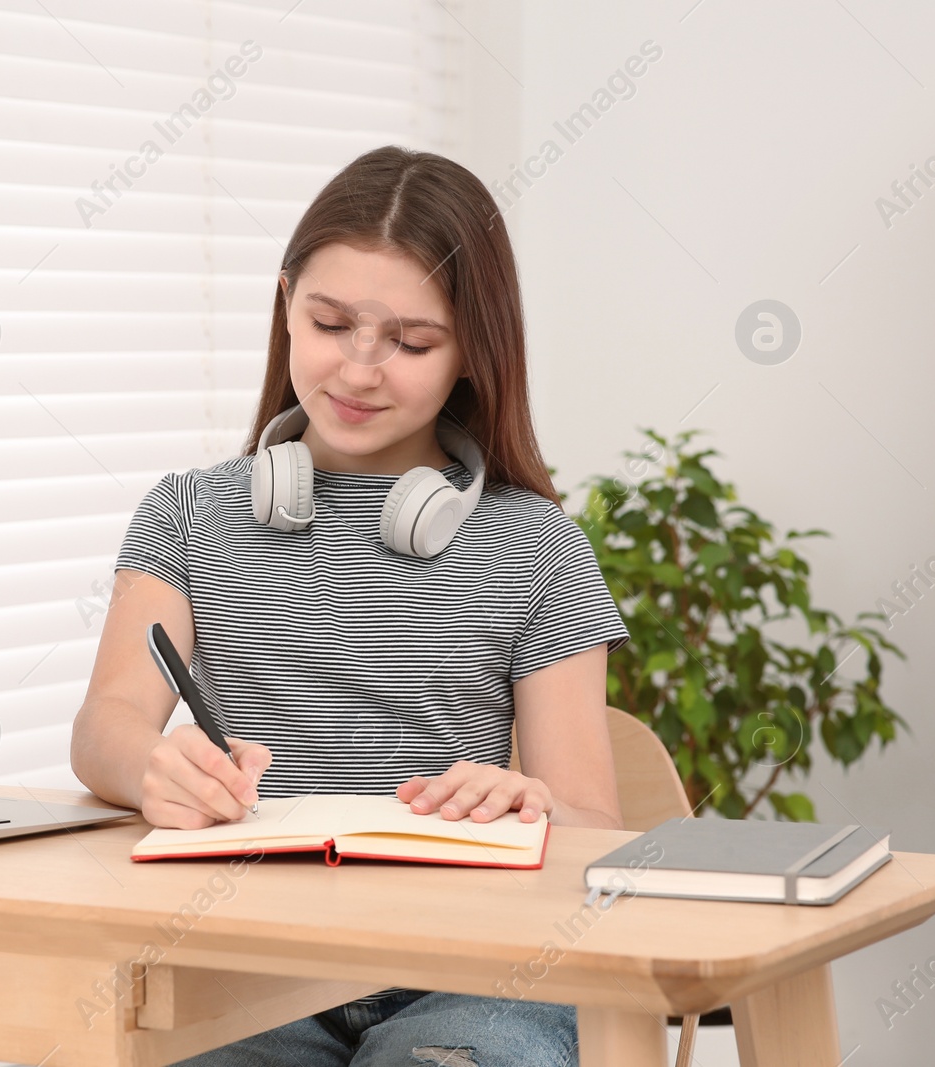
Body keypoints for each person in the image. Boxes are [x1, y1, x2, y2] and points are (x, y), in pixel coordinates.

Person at [70, 144, 630, 1067]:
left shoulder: (536, 545)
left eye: (411, 343)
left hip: (476, 971)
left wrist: (533, 802)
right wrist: (149, 768)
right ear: (286, 304)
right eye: (330, 324)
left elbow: (597, 827)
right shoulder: (188, 513)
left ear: (472, 355)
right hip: (248, 963)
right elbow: (108, 721)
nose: (360, 370)